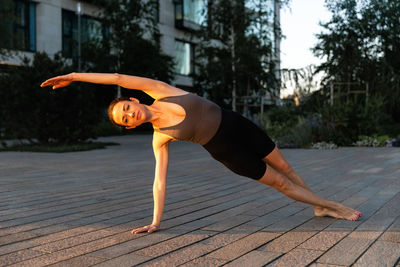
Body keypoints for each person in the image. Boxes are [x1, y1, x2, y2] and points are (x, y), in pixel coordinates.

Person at [41, 73, 362, 234]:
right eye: (124, 119)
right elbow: (159, 182)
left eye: (126, 108)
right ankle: (330, 205)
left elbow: (117, 78)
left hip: (239, 125)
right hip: (225, 151)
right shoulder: (159, 138)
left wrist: (76, 76)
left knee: (285, 166)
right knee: (279, 183)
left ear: (133, 100)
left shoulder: (160, 91)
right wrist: (155, 222)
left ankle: (319, 208)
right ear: (128, 127)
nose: (129, 115)